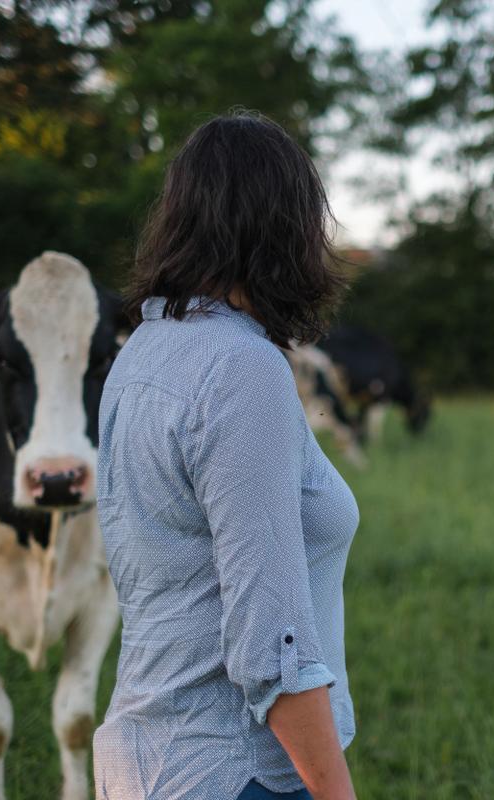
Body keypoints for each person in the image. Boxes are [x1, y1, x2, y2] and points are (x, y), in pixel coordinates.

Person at [93, 112, 359, 800]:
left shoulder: (142, 353)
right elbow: (274, 646)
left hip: (138, 758)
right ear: (287, 226)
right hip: (237, 770)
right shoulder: (243, 368)